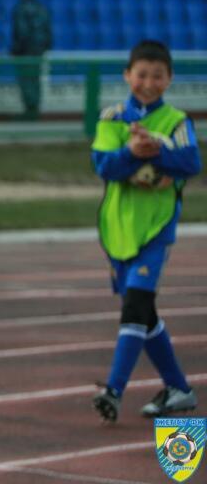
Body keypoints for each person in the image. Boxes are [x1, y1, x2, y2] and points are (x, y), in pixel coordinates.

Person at [90, 40, 201, 422]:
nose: (149, 83)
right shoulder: (112, 117)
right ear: (127, 75)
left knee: (136, 306)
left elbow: (191, 163)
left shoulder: (177, 121)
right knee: (144, 313)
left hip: (156, 228)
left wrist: (157, 150)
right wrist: (132, 154)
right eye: (142, 75)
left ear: (169, 79)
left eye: (157, 76)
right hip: (118, 229)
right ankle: (179, 389)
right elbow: (104, 166)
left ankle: (114, 390)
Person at [10, 0, 51, 120]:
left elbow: (21, 32)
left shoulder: (20, 8)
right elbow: (47, 30)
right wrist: (45, 46)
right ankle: (34, 109)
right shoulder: (41, 8)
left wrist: (16, 49)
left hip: (25, 50)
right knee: (35, 78)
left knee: (26, 79)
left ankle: (30, 110)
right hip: (39, 49)